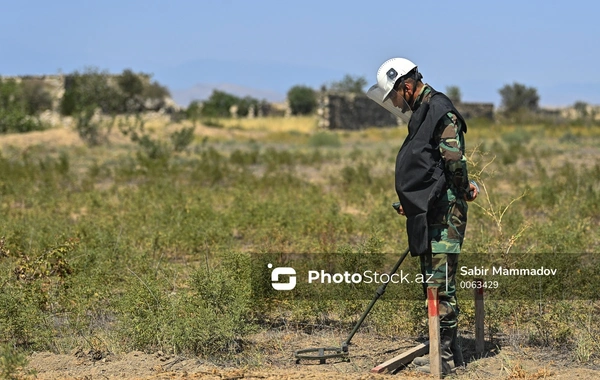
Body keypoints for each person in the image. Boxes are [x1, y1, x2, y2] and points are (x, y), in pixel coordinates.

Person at [368, 57, 479, 375]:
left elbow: (453, 162)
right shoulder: (423, 112)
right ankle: (442, 348)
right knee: (432, 282)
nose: (395, 104)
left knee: (440, 283)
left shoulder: (439, 109)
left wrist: (465, 189)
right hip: (430, 210)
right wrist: (412, 200)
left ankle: (442, 357)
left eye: (394, 96)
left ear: (406, 86)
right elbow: (426, 167)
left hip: (446, 213)